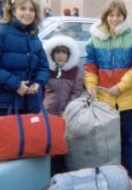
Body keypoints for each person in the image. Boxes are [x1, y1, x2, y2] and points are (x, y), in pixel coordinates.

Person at [84, 0, 132, 178]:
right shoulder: (94, 40)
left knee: (128, 141)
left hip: (127, 100)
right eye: (111, 15)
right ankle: (108, 179)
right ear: (105, 17)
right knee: (106, 142)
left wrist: (120, 87)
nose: (115, 19)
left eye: (119, 15)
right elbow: (90, 66)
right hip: (104, 100)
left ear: (124, 17)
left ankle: (127, 178)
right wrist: (91, 85)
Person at [0, 0, 50, 117]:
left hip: (30, 102)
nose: (27, 13)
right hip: (4, 102)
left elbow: (43, 67)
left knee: (27, 136)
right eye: (23, 8)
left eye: (31, 9)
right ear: (13, 11)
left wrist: (38, 83)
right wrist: (16, 85)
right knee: (8, 136)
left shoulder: (33, 37)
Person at [43, 34, 84, 175]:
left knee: (64, 146)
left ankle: (64, 175)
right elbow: (41, 91)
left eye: (63, 52)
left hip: (66, 115)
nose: (60, 56)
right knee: (49, 146)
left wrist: (68, 110)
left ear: (68, 55)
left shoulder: (75, 71)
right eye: (57, 52)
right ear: (52, 54)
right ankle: (49, 175)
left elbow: (77, 92)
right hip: (48, 114)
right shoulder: (46, 70)